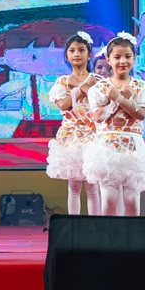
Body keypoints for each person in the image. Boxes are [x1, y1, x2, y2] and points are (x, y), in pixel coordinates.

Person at [83, 33, 145, 216]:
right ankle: (109, 234)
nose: (122, 61)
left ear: (134, 58)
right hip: (107, 148)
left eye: (127, 56)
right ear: (108, 59)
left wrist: (118, 97)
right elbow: (98, 117)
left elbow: (140, 114)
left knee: (132, 200)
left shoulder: (142, 87)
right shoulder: (98, 89)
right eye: (117, 57)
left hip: (132, 148)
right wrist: (115, 99)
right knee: (109, 199)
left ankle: (131, 234)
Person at [47, 30, 102, 215]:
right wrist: (81, 89)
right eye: (72, 50)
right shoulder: (62, 82)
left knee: (93, 186)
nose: (76, 54)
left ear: (89, 55)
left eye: (81, 50)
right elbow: (63, 104)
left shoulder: (98, 81)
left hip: (94, 135)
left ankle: (95, 225)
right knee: (73, 186)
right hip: (71, 137)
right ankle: (73, 225)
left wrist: (88, 87)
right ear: (67, 56)